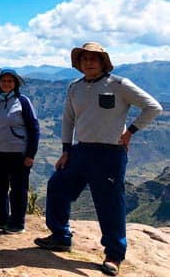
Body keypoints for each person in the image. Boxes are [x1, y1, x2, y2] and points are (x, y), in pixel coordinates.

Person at [34, 42, 162, 276]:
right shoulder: (75, 88)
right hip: (80, 151)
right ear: (79, 63)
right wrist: (65, 150)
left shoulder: (119, 84)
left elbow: (153, 107)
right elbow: (68, 119)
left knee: (110, 204)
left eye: (94, 58)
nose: (89, 62)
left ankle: (114, 254)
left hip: (110, 153)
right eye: (85, 59)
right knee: (57, 187)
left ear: (103, 62)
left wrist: (130, 131)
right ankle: (60, 236)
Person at [0, 69, 39, 234]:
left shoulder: (22, 101)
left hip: (18, 154)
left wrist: (30, 155)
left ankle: (17, 222)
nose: (6, 84)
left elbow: (34, 128)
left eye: (10, 81)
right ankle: (1, 219)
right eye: (4, 81)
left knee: (18, 189)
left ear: (15, 84)